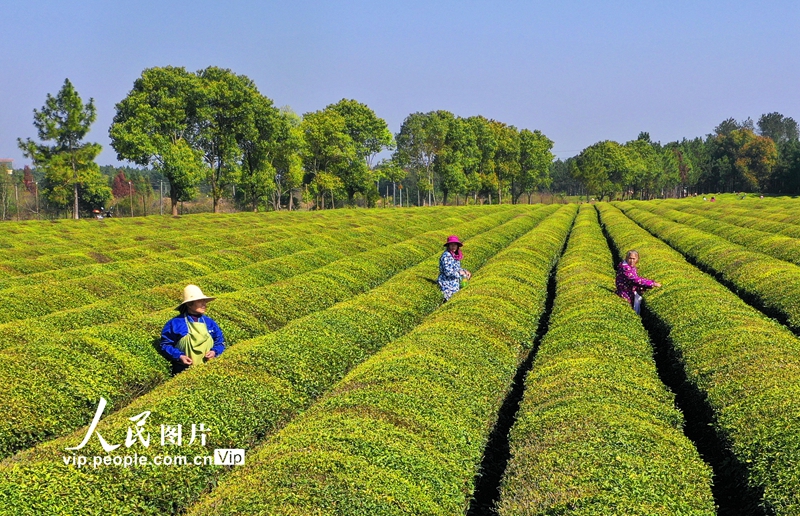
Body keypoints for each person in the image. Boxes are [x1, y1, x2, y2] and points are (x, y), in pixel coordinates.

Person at [161, 284, 225, 372]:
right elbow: (165, 345)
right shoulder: (175, 323)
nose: (204, 304)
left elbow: (220, 342)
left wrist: (214, 352)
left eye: (204, 301)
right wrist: (180, 356)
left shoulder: (210, 322)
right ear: (189, 304)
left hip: (209, 370)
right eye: (200, 301)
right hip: (183, 371)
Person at [615, 250, 661, 314]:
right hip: (625, 293)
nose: (632, 261)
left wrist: (640, 288)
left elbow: (633, 281)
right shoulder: (625, 268)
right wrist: (652, 283)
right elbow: (634, 279)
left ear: (637, 259)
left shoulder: (632, 267)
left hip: (629, 292)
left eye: (634, 259)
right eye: (630, 258)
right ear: (626, 258)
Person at [438, 235, 471, 301]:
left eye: (455, 245)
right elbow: (448, 272)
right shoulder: (446, 256)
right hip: (447, 284)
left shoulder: (455, 255)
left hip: (455, 283)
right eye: (451, 245)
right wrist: (459, 273)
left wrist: (465, 271)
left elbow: (456, 268)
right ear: (448, 246)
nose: (453, 246)